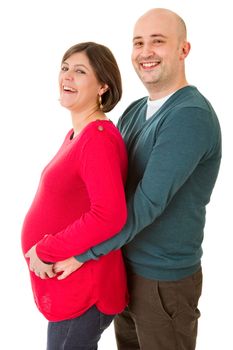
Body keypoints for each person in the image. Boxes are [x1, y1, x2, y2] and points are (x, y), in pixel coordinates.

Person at [53, 8, 222, 350]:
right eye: (138, 42)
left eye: (158, 42)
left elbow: (147, 204)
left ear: (183, 49)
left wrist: (82, 252)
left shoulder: (189, 116)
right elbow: (107, 191)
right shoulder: (134, 111)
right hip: (122, 266)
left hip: (162, 279)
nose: (146, 52)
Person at [21, 41, 129, 350]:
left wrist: (47, 249)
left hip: (86, 288)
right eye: (65, 68)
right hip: (70, 287)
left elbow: (109, 214)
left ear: (102, 86)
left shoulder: (97, 139)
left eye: (80, 71)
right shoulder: (76, 134)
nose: (67, 76)